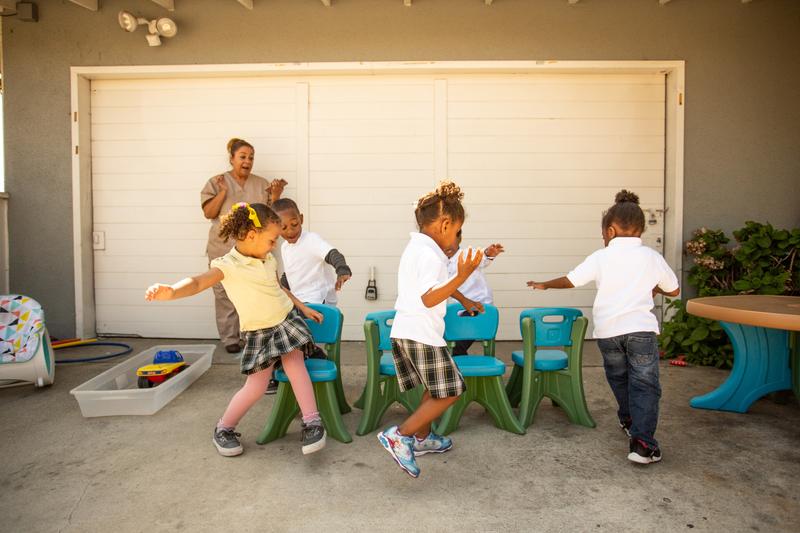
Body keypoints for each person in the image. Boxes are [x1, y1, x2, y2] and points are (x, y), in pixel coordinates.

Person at [145, 203, 327, 457]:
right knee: (256, 386)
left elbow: (278, 288)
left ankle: (312, 422)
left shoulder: (267, 258)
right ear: (252, 235)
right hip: (259, 332)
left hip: (285, 321)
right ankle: (224, 429)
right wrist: (172, 291)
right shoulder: (228, 265)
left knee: (295, 364)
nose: (274, 245)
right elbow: (198, 282)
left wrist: (302, 308)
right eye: (272, 239)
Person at [527, 190, 680, 465]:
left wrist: (546, 283)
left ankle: (629, 419)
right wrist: (651, 288)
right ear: (641, 230)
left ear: (610, 230)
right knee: (645, 385)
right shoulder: (651, 257)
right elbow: (675, 289)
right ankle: (643, 443)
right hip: (641, 331)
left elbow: (572, 280)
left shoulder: (601, 256)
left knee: (619, 378)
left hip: (608, 333)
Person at [377, 181, 483, 478]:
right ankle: (400, 435)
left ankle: (422, 439)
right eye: (457, 230)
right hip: (421, 333)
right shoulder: (429, 254)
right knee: (451, 391)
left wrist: (464, 298)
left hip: (408, 331)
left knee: (433, 388)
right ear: (445, 223)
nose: (458, 238)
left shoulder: (418, 248)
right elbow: (429, 297)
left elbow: (434, 288)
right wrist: (462, 277)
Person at [200, 138, 288, 353]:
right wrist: (222, 192)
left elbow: (271, 216)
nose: (247, 161)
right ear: (232, 158)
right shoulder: (216, 181)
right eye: (243, 157)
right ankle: (230, 338)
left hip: (255, 249)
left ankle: (251, 335)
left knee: (255, 290)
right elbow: (208, 213)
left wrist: (275, 195)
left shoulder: (261, 183)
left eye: (251, 157)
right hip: (222, 247)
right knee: (223, 293)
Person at [262, 197, 352, 395]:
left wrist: (342, 269)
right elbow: (291, 274)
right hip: (299, 300)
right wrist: (278, 288)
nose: (290, 231)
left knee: (293, 333)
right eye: (283, 228)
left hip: (318, 300)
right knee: (273, 326)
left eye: (294, 224)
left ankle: (312, 355)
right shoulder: (285, 247)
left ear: (301, 218)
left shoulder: (311, 240)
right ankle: (282, 368)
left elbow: (332, 253)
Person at [445, 230, 505, 354]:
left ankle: (462, 368)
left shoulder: (467, 254)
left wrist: (489, 253)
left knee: (457, 345)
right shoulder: (440, 261)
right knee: (446, 340)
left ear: (459, 240)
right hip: (458, 310)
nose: (447, 246)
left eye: (451, 242)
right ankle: (459, 365)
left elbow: (482, 257)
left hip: (479, 307)